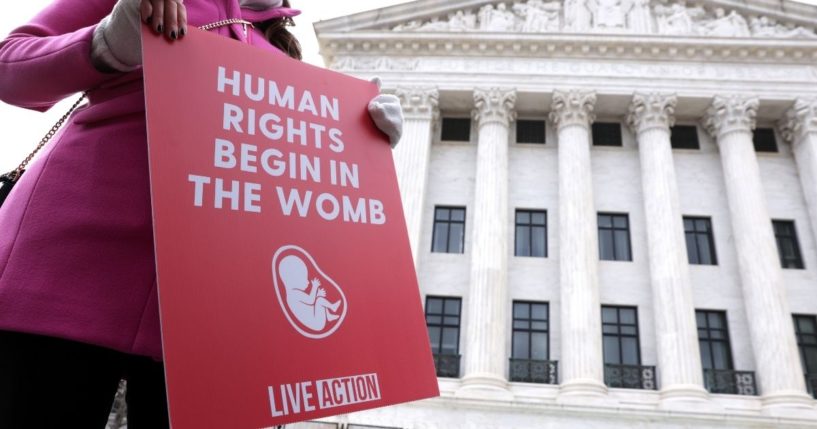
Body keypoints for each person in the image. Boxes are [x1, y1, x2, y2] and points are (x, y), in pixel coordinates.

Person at [0, 0, 403, 427]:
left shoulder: (285, 60)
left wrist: (355, 147)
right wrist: (107, 42)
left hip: (207, 315)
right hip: (65, 273)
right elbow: (9, 67)